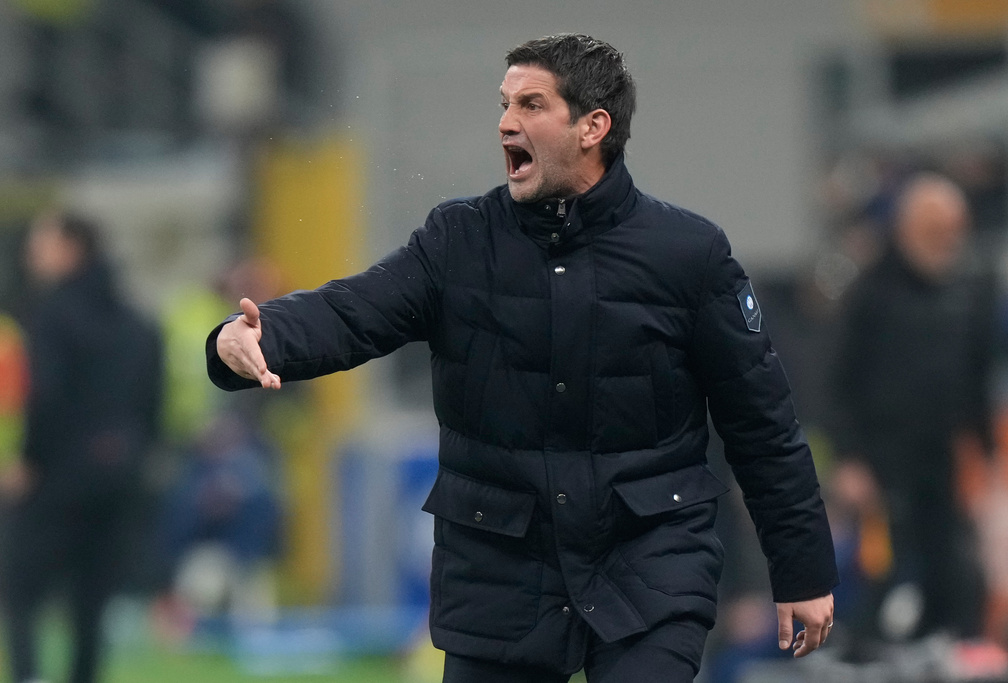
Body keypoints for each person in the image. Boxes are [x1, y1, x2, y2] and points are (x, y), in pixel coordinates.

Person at [208, 34, 838, 682]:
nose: (508, 122)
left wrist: (804, 568)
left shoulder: (689, 255)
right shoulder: (456, 241)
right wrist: (254, 337)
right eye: (505, 104)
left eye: (532, 104)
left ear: (594, 125)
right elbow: (351, 310)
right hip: (499, 569)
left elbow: (762, 424)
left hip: (650, 562)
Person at [829, 173, 997, 648]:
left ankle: (953, 649)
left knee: (956, 572)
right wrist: (850, 459)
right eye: (934, 229)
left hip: (943, 458)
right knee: (883, 570)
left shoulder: (971, 291)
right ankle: (864, 653)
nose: (947, 242)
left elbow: (977, 381)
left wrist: (988, 459)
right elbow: (839, 382)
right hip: (883, 461)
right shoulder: (872, 293)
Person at [0, 211, 164, 683]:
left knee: (21, 588)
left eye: (42, 243)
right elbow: (152, 403)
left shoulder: (53, 313)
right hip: (119, 476)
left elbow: (45, 397)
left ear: (72, 248)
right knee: (92, 598)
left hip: (58, 476)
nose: (33, 253)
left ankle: (28, 675)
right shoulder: (138, 320)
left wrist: (30, 460)